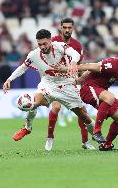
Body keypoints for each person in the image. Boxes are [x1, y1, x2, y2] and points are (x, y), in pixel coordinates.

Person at [2, 29, 95, 148]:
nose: (42, 46)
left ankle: (97, 137)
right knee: (33, 103)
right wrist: (9, 79)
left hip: (67, 84)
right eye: (39, 44)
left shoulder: (60, 46)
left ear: (50, 41)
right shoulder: (34, 55)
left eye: (44, 43)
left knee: (84, 116)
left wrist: (73, 63)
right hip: (48, 84)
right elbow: (23, 67)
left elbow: (75, 54)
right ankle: (27, 128)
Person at [57, 50, 118, 151]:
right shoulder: (115, 64)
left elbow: (93, 69)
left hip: (99, 91)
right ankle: (96, 131)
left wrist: (79, 80)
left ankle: (106, 145)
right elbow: (90, 66)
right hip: (89, 88)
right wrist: (67, 69)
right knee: (110, 97)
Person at [46, 17, 95, 151]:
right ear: (61, 28)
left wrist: (81, 80)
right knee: (56, 108)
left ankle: (85, 142)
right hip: (55, 80)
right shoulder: (53, 41)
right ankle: (50, 137)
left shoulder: (77, 45)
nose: (67, 30)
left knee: (82, 112)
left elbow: (78, 65)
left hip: (71, 81)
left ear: (73, 29)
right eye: (65, 27)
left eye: (70, 28)